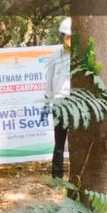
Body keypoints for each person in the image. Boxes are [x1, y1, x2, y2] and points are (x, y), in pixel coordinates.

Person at [44, 17, 72, 178]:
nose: (69, 39)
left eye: (72, 36)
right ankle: (57, 174)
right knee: (59, 142)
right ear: (62, 37)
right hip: (60, 103)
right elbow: (49, 80)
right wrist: (48, 100)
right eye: (67, 36)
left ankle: (76, 173)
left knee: (76, 142)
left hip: (76, 103)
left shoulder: (81, 55)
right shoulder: (55, 56)